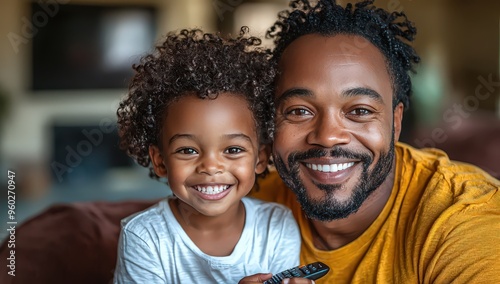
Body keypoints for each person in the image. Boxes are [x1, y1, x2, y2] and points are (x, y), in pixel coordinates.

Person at [241, 0, 500, 283]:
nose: (328, 136)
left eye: (360, 111)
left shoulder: (462, 219)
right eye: (299, 111)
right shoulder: (244, 203)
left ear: (396, 122)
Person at [113, 27, 301, 283]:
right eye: (188, 150)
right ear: (160, 161)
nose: (211, 166)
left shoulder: (276, 227)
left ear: (260, 159)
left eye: (233, 150)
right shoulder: (144, 235)